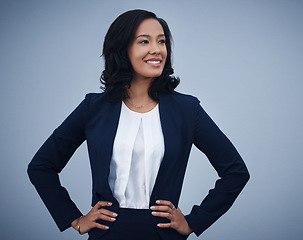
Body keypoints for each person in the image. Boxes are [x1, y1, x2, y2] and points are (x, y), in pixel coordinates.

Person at [27, 9, 249, 240]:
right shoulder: (94, 107)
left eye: (161, 41)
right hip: (107, 234)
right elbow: (41, 166)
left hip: (163, 235)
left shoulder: (187, 109)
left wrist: (194, 222)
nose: (156, 49)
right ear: (122, 49)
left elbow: (235, 172)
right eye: (144, 41)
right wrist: (74, 219)